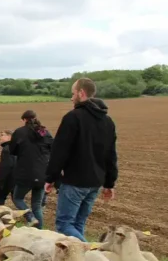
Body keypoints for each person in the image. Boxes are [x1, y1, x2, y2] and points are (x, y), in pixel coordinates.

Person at [46, 78, 118, 241]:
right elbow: (111, 155)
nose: (71, 98)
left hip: (75, 182)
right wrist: (109, 183)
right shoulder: (108, 121)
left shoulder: (73, 117)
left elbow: (59, 151)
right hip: (95, 183)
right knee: (78, 225)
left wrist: (51, 177)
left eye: (73, 94)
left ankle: (93, 254)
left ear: (81, 93)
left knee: (64, 225)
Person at [8, 111, 53, 229]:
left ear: (24, 120)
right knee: (37, 205)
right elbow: (52, 149)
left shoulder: (19, 132)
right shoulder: (44, 132)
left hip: (25, 173)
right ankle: (40, 232)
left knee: (17, 198)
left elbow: (12, 150)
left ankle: (30, 217)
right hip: (43, 174)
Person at [0, 130, 16, 206]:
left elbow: (5, 168)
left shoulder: (6, 149)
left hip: (9, 180)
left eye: (2, 135)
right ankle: (30, 216)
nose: (0, 137)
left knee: (0, 199)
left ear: (10, 136)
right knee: (17, 200)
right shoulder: (17, 147)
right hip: (17, 179)